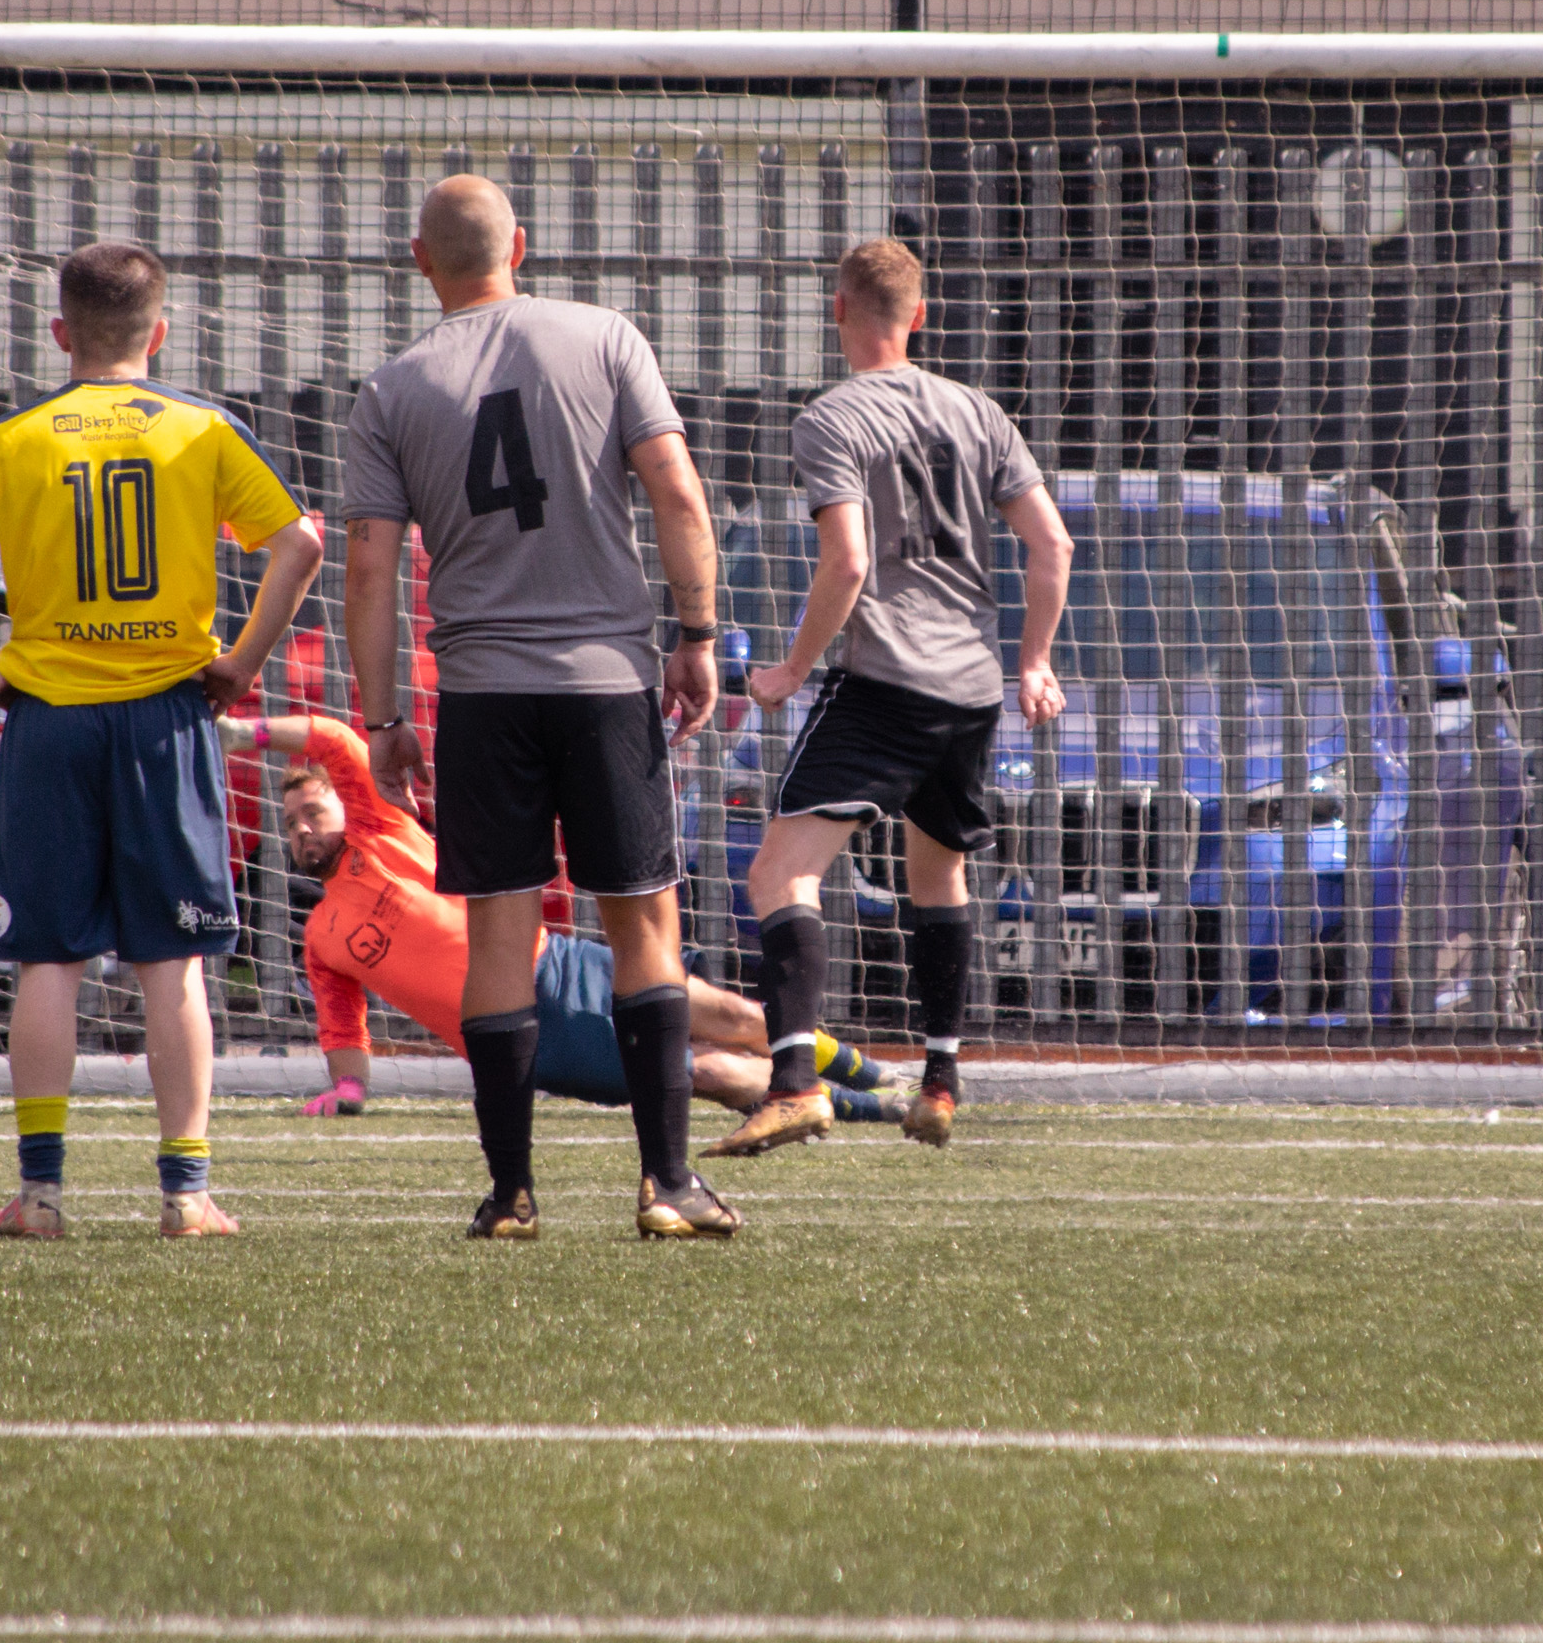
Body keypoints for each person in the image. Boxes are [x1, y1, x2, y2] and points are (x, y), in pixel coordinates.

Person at [0, 242, 323, 1240]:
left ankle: (40, 1193)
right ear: (159, 333)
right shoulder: (201, 429)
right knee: (171, 962)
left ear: (59, 335)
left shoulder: (15, 437)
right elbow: (300, 541)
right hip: (167, 717)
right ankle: (186, 1193)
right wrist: (243, 660)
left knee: (50, 957)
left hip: (48, 723)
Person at [340, 174, 735, 1240]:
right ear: (524, 242)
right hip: (606, 681)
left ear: (419, 260)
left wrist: (381, 720)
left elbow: (369, 572)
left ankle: (510, 1194)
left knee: (499, 942)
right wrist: (695, 639)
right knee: (646, 927)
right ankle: (667, 1185)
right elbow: (678, 491)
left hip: (480, 697)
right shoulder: (607, 338)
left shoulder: (388, 389)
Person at [712, 238, 1072, 1158]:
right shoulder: (978, 410)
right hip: (971, 689)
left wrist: (791, 670)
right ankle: (942, 1084)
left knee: (779, 874)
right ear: (919, 317)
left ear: (838, 311)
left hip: (884, 683)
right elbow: (1052, 545)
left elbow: (850, 561)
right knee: (938, 869)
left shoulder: (832, 418)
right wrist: (1033, 663)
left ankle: (794, 1085)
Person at [240, 713, 911, 1120]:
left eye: (313, 813)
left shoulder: (379, 827)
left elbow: (331, 739)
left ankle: (878, 1075)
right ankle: (878, 1111)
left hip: (555, 962)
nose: (302, 830)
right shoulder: (321, 937)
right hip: (521, 1036)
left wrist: (250, 733)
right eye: (292, 822)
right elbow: (341, 1025)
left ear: (342, 810)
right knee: (701, 1070)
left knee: (728, 1014)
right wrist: (351, 1087)